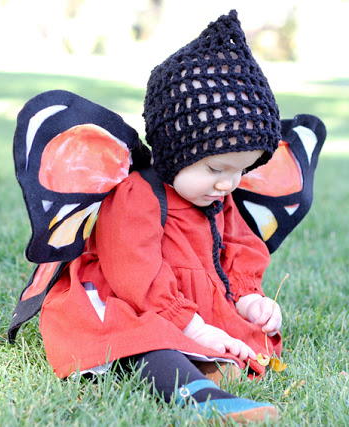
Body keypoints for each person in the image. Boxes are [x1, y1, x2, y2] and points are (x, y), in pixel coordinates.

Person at [38, 10, 283, 422]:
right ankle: (199, 395)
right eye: (215, 169)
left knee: (247, 334)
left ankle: (207, 361)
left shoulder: (218, 196)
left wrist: (248, 296)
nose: (229, 183)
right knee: (145, 338)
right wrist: (187, 322)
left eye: (241, 169)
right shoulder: (139, 195)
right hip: (132, 297)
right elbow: (133, 269)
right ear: (175, 151)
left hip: (189, 303)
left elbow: (240, 246)